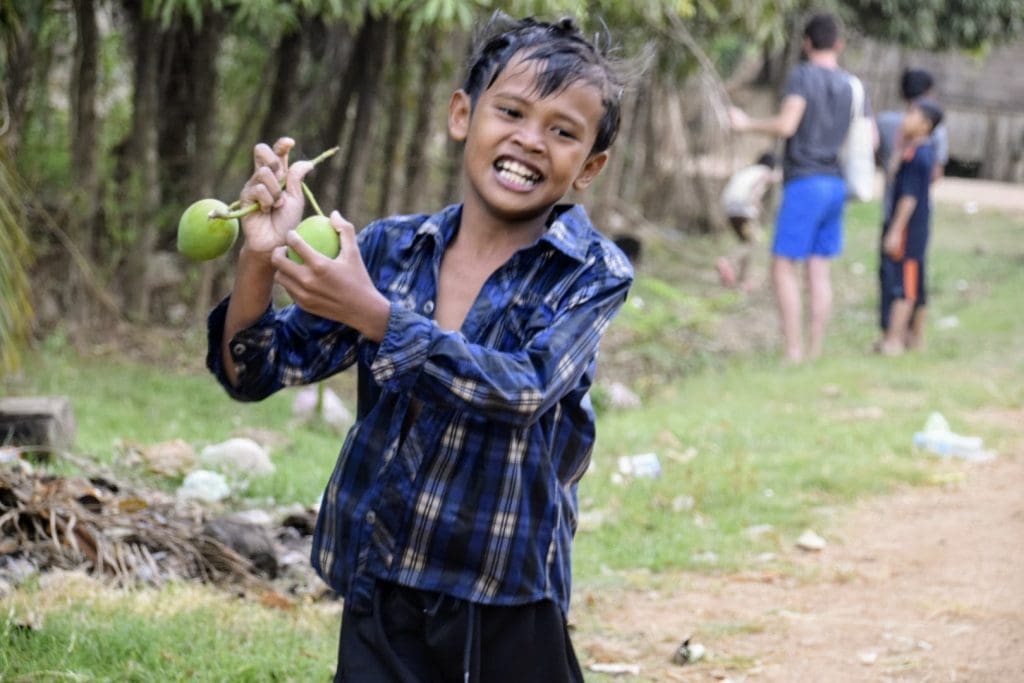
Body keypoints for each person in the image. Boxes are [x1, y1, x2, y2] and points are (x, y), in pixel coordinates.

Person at [205, 15, 633, 683]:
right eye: (511, 112)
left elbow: (523, 388)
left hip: (505, 597)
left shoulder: (590, 272)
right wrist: (261, 256)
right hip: (381, 585)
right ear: (463, 115)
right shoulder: (387, 251)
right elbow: (251, 370)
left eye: (563, 131)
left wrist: (375, 317)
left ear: (590, 167)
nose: (530, 139)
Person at [728, 13, 873, 362]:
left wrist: (746, 124)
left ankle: (793, 351)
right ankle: (815, 349)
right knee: (818, 269)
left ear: (807, 43)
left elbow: (787, 125)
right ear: (839, 44)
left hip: (806, 182)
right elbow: (871, 137)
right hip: (835, 184)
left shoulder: (803, 76)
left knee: (783, 267)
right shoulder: (852, 85)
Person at [875, 99, 944, 355]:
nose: (906, 118)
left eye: (912, 115)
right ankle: (913, 338)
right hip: (912, 227)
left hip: (908, 229)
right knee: (911, 278)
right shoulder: (913, 150)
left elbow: (909, 198)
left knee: (906, 282)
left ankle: (894, 340)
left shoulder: (918, 156)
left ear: (926, 125)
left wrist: (895, 230)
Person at [717, 152, 780, 290]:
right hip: (744, 209)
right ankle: (728, 261)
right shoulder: (764, 172)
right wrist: (756, 204)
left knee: (746, 242)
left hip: (730, 209)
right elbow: (756, 188)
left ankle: (742, 279)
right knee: (754, 242)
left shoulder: (748, 171)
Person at [876, 68, 949, 183]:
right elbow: (936, 174)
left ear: (902, 92)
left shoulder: (883, 121)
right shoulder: (935, 129)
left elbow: (875, 158)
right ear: (929, 92)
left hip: (890, 191)